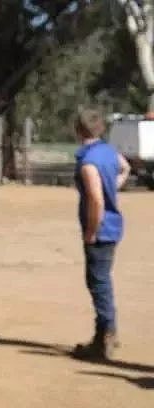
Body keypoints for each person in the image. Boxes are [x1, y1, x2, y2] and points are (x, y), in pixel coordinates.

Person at [72, 109, 130, 360]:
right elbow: (124, 167)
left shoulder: (88, 162)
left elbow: (96, 200)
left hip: (101, 229)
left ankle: (105, 335)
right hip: (113, 226)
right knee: (101, 280)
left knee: (98, 282)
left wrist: (91, 231)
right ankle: (108, 331)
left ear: (78, 130)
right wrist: (113, 189)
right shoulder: (108, 152)